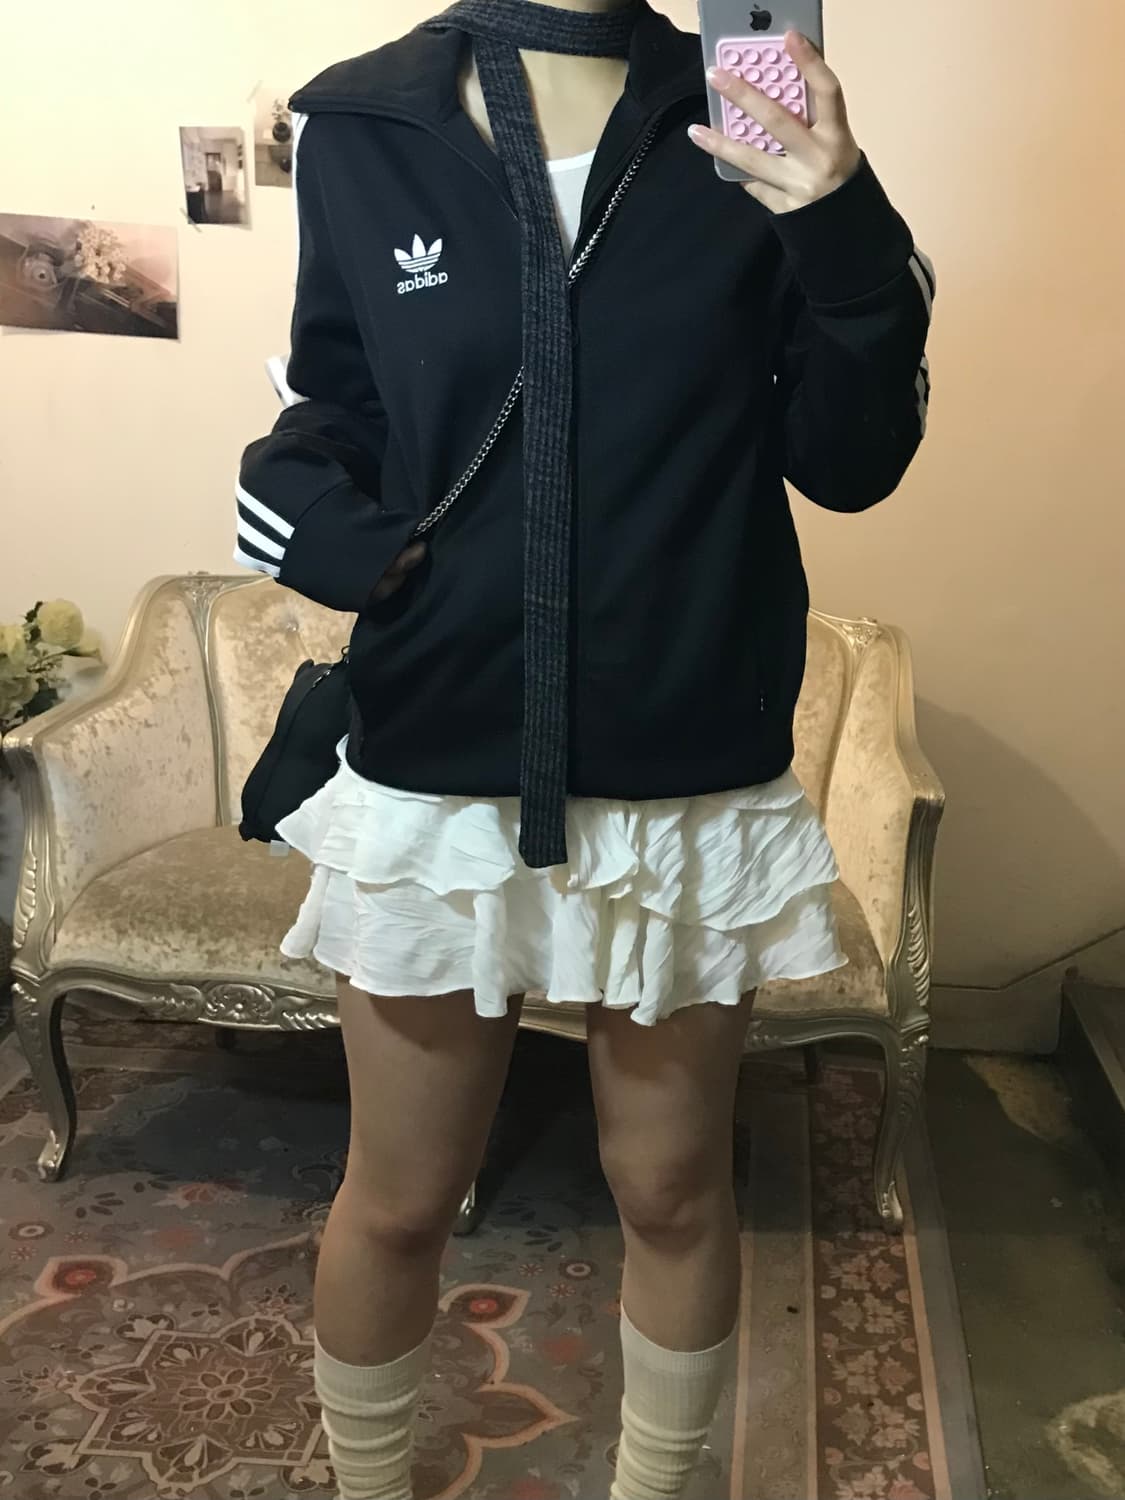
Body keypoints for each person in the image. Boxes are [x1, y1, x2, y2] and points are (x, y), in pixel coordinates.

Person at [234, 1, 934, 1495]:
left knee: (672, 1188)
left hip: (682, 762)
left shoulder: (735, 116)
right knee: (398, 1198)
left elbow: (850, 462)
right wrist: (340, 536)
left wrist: (841, 222)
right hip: (441, 756)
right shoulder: (363, 121)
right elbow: (332, 400)